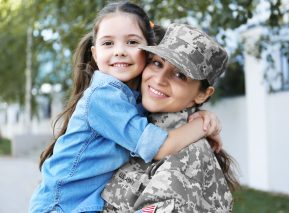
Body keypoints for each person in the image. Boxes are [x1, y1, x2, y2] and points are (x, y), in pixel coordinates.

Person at [29, 2, 222, 213]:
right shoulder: (104, 95)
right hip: (63, 206)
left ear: (147, 51)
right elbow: (159, 147)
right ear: (95, 53)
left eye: (131, 42)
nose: (119, 51)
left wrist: (199, 112)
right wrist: (204, 126)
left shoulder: (133, 95)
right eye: (108, 43)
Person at [101, 23, 239, 213]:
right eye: (157, 63)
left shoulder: (187, 152)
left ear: (202, 95)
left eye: (180, 75)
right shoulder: (129, 117)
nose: (159, 79)